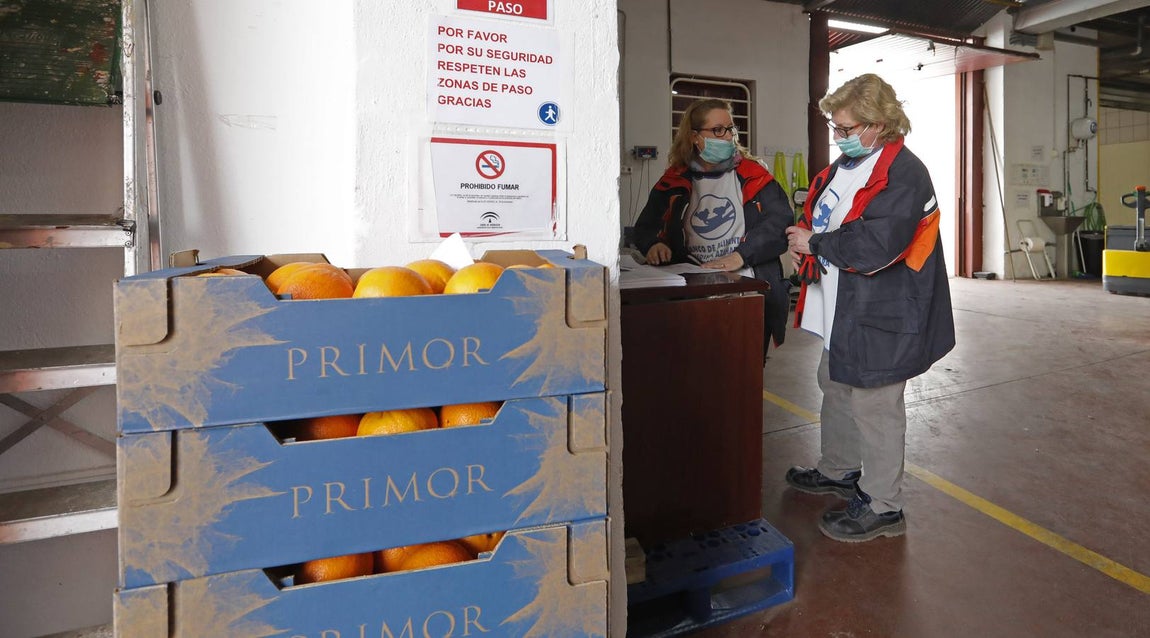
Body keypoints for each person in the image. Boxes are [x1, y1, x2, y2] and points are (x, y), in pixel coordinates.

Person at [783, 74, 955, 542]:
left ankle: (883, 505)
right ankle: (838, 470)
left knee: (876, 403)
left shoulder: (905, 173)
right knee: (835, 384)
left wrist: (815, 242)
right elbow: (820, 212)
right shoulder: (846, 165)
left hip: (883, 309)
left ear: (880, 124)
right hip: (841, 306)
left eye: (847, 127)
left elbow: (878, 243)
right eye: (835, 127)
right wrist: (804, 240)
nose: (840, 136)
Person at [632, 98, 793, 352]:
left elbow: (779, 223)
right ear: (695, 137)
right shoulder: (674, 180)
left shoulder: (754, 175)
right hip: (692, 293)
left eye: (730, 129)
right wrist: (653, 244)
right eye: (718, 130)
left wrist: (741, 256)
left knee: (744, 371)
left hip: (747, 289)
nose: (727, 136)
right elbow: (644, 228)